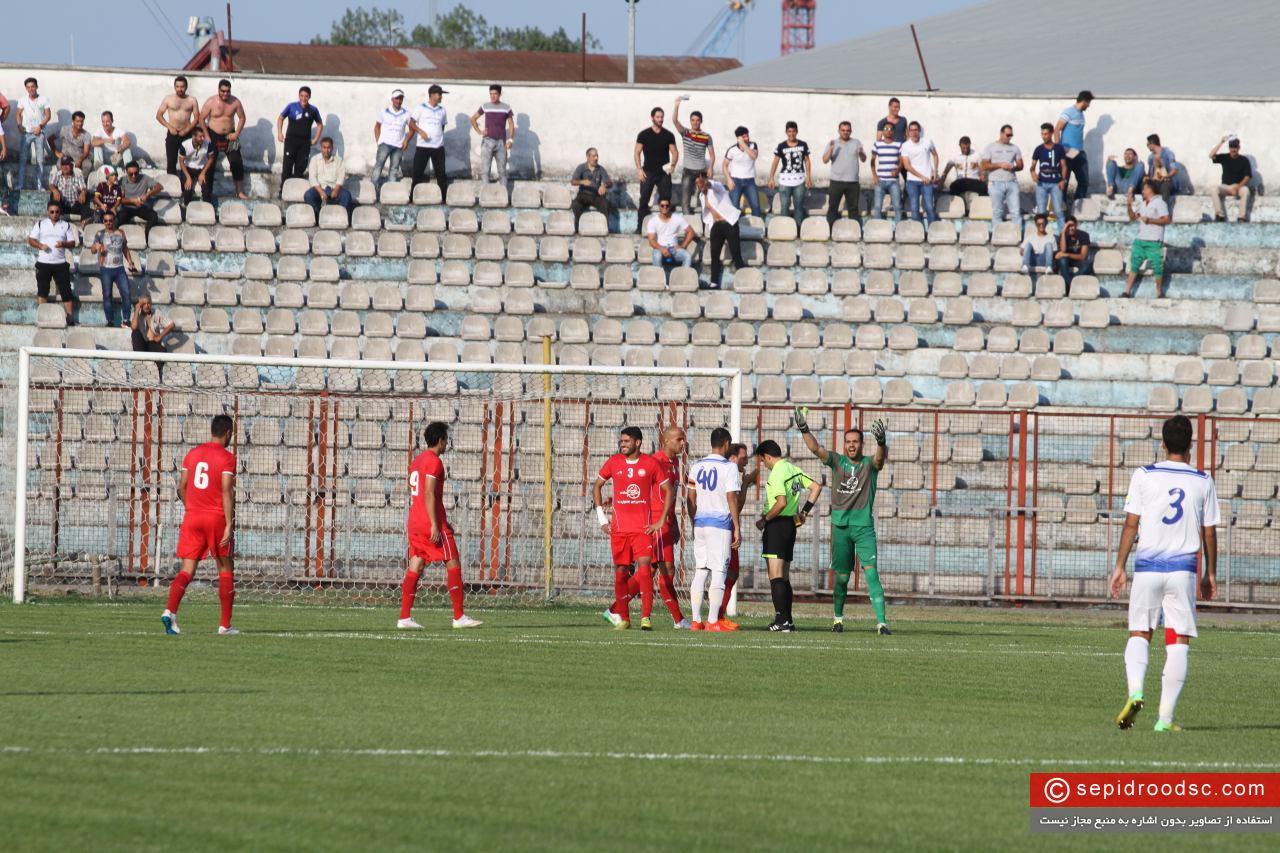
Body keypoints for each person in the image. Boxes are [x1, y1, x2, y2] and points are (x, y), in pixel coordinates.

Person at [1109, 415, 1218, 732]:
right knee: (1178, 641)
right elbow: (1208, 532)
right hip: (1183, 570)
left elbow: (1132, 523)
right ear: (1191, 446)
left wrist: (1119, 567)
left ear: (1163, 443)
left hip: (1147, 568)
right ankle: (1164, 720)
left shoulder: (1144, 475)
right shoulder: (1202, 480)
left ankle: (1136, 692)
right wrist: (1210, 573)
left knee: (1140, 632)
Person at [795, 409, 891, 635]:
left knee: (871, 574)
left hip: (864, 528)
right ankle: (838, 619)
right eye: (848, 441)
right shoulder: (836, 461)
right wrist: (804, 429)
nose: (851, 445)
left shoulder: (869, 464)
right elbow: (815, 448)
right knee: (842, 577)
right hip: (840, 527)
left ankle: (882, 624)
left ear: (862, 444)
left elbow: (880, 459)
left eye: (855, 441)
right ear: (844, 443)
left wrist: (882, 442)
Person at [396, 422, 484, 630]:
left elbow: (417, 492)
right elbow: (428, 492)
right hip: (429, 523)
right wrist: (436, 524)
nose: (447, 443)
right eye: (446, 439)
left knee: (416, 564)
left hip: (415, 521)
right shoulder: (434, 462)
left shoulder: (417, 461)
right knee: (452, 561)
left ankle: (404, 618)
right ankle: (459, 616)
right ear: (441, 440)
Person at [162, 415, 239, 636]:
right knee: (225, 568)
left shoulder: (192, 454)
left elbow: (182, 487)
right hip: (216, 518)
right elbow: (226, 490)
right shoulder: (227, 458)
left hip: (192, 517)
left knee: (187, 569)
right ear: (228, 433)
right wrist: (229, 523)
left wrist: (192, 508)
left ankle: (170, 612)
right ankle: (225, 625)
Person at [606, 426, 690, 630]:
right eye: (679, 439)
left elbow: (670, 496)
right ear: (667, 440)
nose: (683, 443)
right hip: (653, 522)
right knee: (664, 568)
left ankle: (616, 609)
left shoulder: (675, 462)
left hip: (665, 522)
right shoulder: (657, 461)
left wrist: (674, 523)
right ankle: (678, 619)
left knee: (651, 569)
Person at [594, 427, 671, 630]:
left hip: (642, 529)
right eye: (622, 441)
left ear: (637, 442)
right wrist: (602, 518)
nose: (623, 444)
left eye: (627, 441)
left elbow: (668, 490)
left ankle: (646, 617)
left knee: (645, 569)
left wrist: (661, 521)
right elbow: (597, 486)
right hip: (619, 530)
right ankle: (624, 618)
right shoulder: (614, 462)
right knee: (620, 572)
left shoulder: (651, 463)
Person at [750, 440, 822, 632]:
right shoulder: (793, 469)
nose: (764, 465)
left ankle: (781, 621)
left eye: (763, 461)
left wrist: (764, 519)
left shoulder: (777, 473)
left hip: (777, 525)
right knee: (784, 576)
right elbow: (816, 487)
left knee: (775, 576)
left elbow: (780, 502)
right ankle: (788, 620)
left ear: (767, 456)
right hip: (791, 525)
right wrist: (804, 512)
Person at [686, 427, 742, 632]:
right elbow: (731, 497)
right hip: (720, 525)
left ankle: (695, 620)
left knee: (701, 570)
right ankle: (712, 621)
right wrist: (736, 525)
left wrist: (695, 521)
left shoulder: (696, 466)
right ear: (727, 444)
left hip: (700, 522)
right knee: (719, 570)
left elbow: (690, 499)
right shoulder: (729, 467)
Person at [711, 442, 750, 628]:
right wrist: (746, 484)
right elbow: (736, 505)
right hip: (723, 527)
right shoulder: (730, 472)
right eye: (744, 458)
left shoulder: (721, 471)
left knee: (727, 572)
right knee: (728, 572)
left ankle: (716, 615)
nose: (747, 461)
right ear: (733, 458)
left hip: (711, 526)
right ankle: (716, 616)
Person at [27, 200, 78, 325]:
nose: (55, 214)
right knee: (43, 289)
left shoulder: (65, 225)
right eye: (52, 212)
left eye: (57, 212)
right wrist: (40, 245)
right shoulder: (40, 224)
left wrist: (64, 244)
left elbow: (73, 243)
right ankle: (42, 316)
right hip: (43, 262)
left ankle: (70, 318)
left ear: (60, 212)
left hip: (60, 263)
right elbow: (31, 240)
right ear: (47, 212)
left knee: (66, 291)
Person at [695, 172, 745, 289]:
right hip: (716, 226)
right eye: (697, 183)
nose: (699, 185)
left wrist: (706, 182)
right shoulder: (701, 196)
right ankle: (714, 282)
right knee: (714, 255)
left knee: (736, 252)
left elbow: (711, 185)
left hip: (728, 223)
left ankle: (743, 279)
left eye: (700, 182)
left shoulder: (717, 187)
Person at [200, 79, 248, 200]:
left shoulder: (235, 102)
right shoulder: (211, 101)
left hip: (230, 136)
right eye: (223, 91)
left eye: (228, 91)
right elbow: (201, 118)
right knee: (210, 163)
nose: (225, 94)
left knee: (237, 162)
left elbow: (242, 118)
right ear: (218, 90)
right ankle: (208, 192)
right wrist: (206, 135)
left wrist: (236, 133)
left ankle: (239, 191)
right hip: (213, 134)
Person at [634, 106, 678, 234]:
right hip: (647, 172)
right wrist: (639, 169)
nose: (660, 119)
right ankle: (640, 227)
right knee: (644, 200)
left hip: (664, 173)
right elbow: (637, 152)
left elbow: (675, 152)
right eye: (658, 117)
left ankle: (667, 228)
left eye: (662, 117)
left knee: (666, 200)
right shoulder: (644, 134)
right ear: (652, 118)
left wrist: (673, 165)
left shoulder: (668, 135)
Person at [90, 210, 137, 328]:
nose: (108, 223)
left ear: (114, 220)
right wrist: (97, 247)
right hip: (106, 268)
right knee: (107, 295)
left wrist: (130, 262)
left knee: (126, 293)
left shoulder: (121, 232)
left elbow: (125, 249)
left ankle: (126, 320)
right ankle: (110, 320)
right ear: (103, 221)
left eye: (110, 220)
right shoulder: (99, 234)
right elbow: (92, 250)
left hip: (119, 268)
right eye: (105, 221)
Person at [1124, 179, 1171, 298]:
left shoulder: (1160, 203)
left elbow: (1166, 219)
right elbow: (1133, 217)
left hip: (1154, 241)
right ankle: (1127, 291)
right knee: (1134, 265)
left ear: (1150, 189)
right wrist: (1129, 205)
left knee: (1157, 267)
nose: (1142, 191)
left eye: (1144, 189)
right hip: (1141, 240)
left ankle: (1159, 292)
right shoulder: (1144, 203)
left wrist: (1150, 220)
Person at [671, 96, 714, 215]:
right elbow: (675, 121)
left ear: (701, 121)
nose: (695, 122)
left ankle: (706, 222)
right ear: (690, 121)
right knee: (685, 200)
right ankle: (688, 222)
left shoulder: (706, 136)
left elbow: (712, 154)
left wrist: (710, 167)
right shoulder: (686, 133)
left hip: (701, 171)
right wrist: (676, 105)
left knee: (706, 198)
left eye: (697, 120)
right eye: (693, 120)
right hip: (688, 171)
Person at [276, 85, 322, 187]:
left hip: (304, 143)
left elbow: (320, 125)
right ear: (299, 96)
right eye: (301, 96)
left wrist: (315, 139)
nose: (303, 98)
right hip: (291, 141)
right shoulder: (292, 106)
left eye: (306, 96)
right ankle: (283, 189)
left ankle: (296, 190)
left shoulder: (313, 110)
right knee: (287, 166)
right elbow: (280, 118)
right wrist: (280, 133)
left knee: (300, 167)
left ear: (309, 97)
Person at [768, 121, 812, 226]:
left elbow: (807, 161)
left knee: (799, 206)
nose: (791, 134)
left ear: (797, 132)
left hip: (799, 180)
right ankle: (785, 228)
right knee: (784, 206)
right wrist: (771, 177)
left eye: (793, 131)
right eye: (789, 131)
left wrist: (808, 177)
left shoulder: (803, 145)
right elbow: (775, 162)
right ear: (786, 132)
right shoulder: (781, 146)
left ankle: (797, 228)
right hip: (785, 181)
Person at [823, 120, 865, 225]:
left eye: (847, 130)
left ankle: (854, 232)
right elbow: (825, 160)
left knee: (854, 209)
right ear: (839, 131)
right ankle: (831, 231)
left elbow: (864, 159)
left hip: (853, 182)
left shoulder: (856, 142)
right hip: (836, 182)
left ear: (851, 131)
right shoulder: (832, 143)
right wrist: (831, 149)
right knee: (833, 208)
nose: (845, 132)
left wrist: (860, 153)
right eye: (843, 130)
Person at [470, 84, 514, 184]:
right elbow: (473, 119)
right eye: (491, 94)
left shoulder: (506, 107)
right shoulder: (485, 106)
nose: (493, 96)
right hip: (487, 142)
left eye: (495, 94)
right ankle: (485, 195)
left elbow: (511, 124)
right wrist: (479, 131)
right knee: (485, 171)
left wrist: (510, 140)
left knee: (502, 172)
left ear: (500, 94)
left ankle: (504, 196)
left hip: (501, 143)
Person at [156, 75, 199, 177]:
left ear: (186, 87)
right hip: (173, 133)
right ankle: (172, 184)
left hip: (187, 134)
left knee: (188, 161)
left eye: (182, 86)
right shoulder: (168, 99)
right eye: (178, 86)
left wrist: (187, 129)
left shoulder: (192, 100)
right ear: (175, 87)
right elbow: (159, 115)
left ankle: (188, 185)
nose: (180, 89)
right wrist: (170, 127)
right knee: (171, 161)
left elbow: (197, 118)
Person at [1053, 90, 1092, 200]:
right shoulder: (1069, 112)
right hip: (1067, 151)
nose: (1088, 106)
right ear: (1084, 101)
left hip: (1079, 152)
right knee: (1064, 181)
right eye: (1088, 103)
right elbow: (1057, 130)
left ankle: (1077, 205)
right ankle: (1062, 207)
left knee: (1084, 181)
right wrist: (1058, 149)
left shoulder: (1081, 115)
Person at [410, 84, 449, 194]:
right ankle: (413, 197)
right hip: (423, 146)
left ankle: (444, 198)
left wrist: (437, 137)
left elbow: (442, 127)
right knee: (417, 173)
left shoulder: (442, 110)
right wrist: (421, 131)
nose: (441, 96)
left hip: (438, 147)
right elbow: (411, 123)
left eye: (441, 94)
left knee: (441, 174)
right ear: (432, 95)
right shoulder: (421, 108)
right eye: (439, 94)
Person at [982, 124, 1023, 225]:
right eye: (1008, 135)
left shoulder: (1015, 148)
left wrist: (1014, 167)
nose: (1010, 137)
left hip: (1011, 182)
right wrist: (1000, 165)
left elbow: (1021, 165)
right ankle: (997, 237)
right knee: (997, 212)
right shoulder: (990, 147)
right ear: (1001, 134)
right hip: (996, 183)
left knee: (1016, 212)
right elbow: (984, 166)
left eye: (1011, 135)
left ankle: (1017, 237)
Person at [899, 120, 939, 224]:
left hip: (927, 182)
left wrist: (935, 171)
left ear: (919, 130)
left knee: (930, 207)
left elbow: (935, 155)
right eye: (911, 130)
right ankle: (918, 233)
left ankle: (932, 232)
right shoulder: (905, 146)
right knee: (914, 209)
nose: (914, 132)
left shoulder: (927, 141)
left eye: (916, 130)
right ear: (908, 132)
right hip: (912, 181)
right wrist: (922, 177)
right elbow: (907, 166)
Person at [16, 77, 52, 191]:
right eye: (28, 87)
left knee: (40, 160)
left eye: (32, 86)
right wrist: (19, 126)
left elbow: (48, 115)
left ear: (36, 87)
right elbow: (18, 114)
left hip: (39, 133)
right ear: (26, 88)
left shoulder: (44, 99)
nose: (31, 89)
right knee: (23, 159)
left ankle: (39, 186)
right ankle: (20, 185)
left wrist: (40, 126)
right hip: (26, 132)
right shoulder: (22, 100)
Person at [304, 137, 352, 221]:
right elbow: (312, 178)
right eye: (324, 147)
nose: (326, 150)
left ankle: (338, 217)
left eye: (328, 147)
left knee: (346, 195)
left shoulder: (338, 161)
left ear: (332, 148)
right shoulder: (314, 160)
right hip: (320, 189)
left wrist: (336, 190)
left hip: (334, 189)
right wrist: (321, 192)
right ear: (321, 148)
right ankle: (319, 215)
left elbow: (341, 177)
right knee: (308, 195)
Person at [372, 88, 412, 187]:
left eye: (400, 99)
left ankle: (390, 190)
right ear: (392, 99)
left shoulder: (406, 114)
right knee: (378, 166)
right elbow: (377, 127)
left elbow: (412, 128)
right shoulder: (384, 112)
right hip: (384, 144)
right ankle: (372, 188)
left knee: (394, 169)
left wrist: (406, 141)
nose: (398, 101)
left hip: (398, 146)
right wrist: (379, 141)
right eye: (397, 98)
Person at [1208, 136, 1252, 223]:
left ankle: (1241, 217)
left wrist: (1238, 187)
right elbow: (1211, 155)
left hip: (1238, 186)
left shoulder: (1244, 160)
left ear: (1238, 148)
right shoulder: (1225, 157)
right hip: (1225, 186)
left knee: (1246, 190)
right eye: (1231, 147)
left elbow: (1247, 177)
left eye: (1235, 147)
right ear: (1229, 148)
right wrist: (1221, 142)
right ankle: (1220, 215)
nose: (1233, 149)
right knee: (1213, 189)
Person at [1031, 122, 1068, 222]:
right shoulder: (1038, 149)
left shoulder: (1059, 148)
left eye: (1046, 134)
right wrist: (1033, 173)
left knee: (1058, 211)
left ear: (1051, 134)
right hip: (1041, 184)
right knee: (1041, 213)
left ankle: (1062, 235)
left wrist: (1063, 180)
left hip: (1056, 183)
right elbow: (1032, 167)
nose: (1044, 136)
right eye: (1042, 134)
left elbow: (1064, 166)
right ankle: (1042, 235)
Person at [569, 147, 612, 230]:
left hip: (596, 196)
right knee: (575, 204)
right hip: (583, 194)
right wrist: (582, 182)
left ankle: (605, 229)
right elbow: (572, 181)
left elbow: (610, 182)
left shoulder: (600, 169)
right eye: (593, 156)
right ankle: (578, 229)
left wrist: (604, 185)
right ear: (588, 157)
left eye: (597, 156)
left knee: (605, 204)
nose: (596, 158)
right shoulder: (581, 167)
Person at [645, 199, 695, 270]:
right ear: (659, 206)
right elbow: (651, 241)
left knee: (687, 256)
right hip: (660, 248)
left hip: (674, 249)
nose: (664, 207)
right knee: (657, 256)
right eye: (662, 206)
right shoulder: (653, 221)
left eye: (667, 206)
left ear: (669, 206)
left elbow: (691, 232)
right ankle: (660, 279)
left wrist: (683, 246)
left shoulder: (677, 218)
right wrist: (662, 249)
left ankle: (683, 278)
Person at [722, 126, 760, 216]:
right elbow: (724, 165)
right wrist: (729, 179)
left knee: (755, 206)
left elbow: (753, 156)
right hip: (736, 181)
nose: (747, 138)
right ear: (738, 138)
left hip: (750, 181)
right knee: (734, 207)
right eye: (744, 136)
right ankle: (734, 229)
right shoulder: (732, 150)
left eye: (747, 136)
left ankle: (758, 227)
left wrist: (744, 145)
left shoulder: (753, 145)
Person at [117, 161, 161, 235]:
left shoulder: (144, 178)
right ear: (126, 173)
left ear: (138, 171)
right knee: (117, 219)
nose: (134, 176)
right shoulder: (123, 180)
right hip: (128, 207)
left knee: (154, 217)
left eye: (136, 173)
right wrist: (133, 201)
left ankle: (146, 236)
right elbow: (120, 199)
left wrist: (147, 194)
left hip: (142, 206)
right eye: (131, 174)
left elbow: (159, 187)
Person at [869, 125, 902, 222]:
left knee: (897, 206)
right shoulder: (877, 144)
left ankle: (898, 229)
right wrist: (874, 176)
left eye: (891, 129)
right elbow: (872, 160)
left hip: (893, 181)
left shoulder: (898, 144)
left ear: (893, 132)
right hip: (880, 180)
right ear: (882, 132)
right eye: (886, 129)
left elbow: (901, 161)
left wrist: (897, 170)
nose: (888, 131)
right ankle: (878, 229)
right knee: (878, 206)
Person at [1055, 215, 1092, 293]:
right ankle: (1074, 285)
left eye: (1072, 225)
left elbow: (1083, 256)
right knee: (1062, 261)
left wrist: (1067, 255)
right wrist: (1063, 232)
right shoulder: (1064, 236)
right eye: (1068, 226)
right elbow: (1063, 250)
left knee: (1087, 264)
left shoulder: (1084, 235)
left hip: (1078, 260)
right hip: (1067, 261)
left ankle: (1071, 284)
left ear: (1076, 225)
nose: (1070, 228)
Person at [179, 126, 214, 205]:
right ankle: (187, 208)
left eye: (203, 136)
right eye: (200, 137)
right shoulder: (184, 145)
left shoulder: (208, 144)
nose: (202, 138)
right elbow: (181, 162)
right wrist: (188, 177)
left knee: (206, 191)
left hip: (202, 168)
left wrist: (203, 173)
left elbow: (211, 159)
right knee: (187, 190)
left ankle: (206, 209)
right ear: (194, 137)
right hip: (188, 168)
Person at [1144, 134, 1180, 206]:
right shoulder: (1151, 157)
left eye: (1148, 144)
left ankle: (1163, 212)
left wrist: (1166, 176)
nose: (1147, 146)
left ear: (1152, 144)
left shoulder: (1168, 153)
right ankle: (1147, 209)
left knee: (1165, 186)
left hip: (1168, 182)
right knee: (1145, 186)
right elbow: (1150, 174)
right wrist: (1146, 177)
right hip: (1155, 182)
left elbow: (1175, 169)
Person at [55, 110, 93, 176]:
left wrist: (80, 160)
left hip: (79, 157)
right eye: (77, 121)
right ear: (73, 121)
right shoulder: (64, 130)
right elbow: (50, 139)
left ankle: (81, 182)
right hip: (65, 157)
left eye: (82, 121)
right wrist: (56, 152)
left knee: (88, 165)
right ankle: (64, 183)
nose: (80, 123)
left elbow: (86, 152)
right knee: (59, 165)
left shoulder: (86, 134)